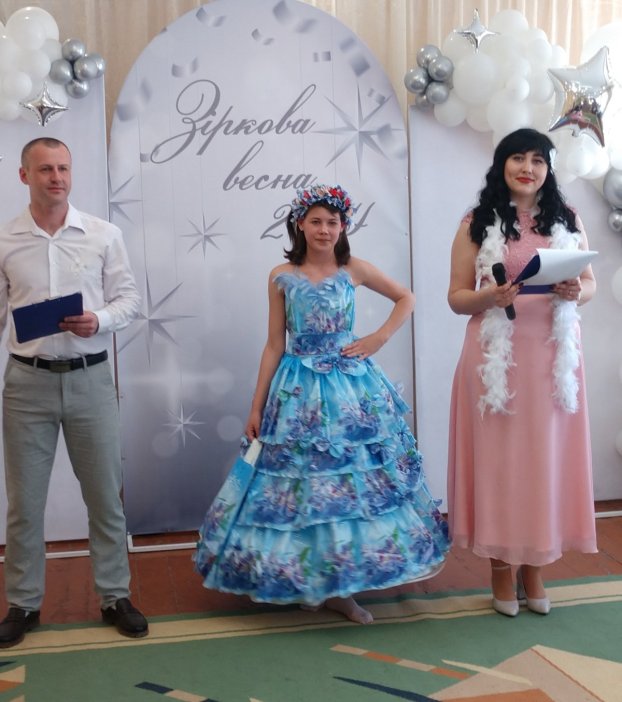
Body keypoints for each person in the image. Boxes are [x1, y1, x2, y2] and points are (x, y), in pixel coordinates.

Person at [195, 184, 450, 623]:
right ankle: (308, 580)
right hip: (296, 391)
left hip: (349, 390)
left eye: (333, 222)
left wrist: (377, 338)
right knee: (302, 486)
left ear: (343, 226)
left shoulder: (354, 269)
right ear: (299, 224)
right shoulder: (280, 275)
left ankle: (341, 587)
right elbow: (274, 344)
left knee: (346, 487)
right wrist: (256, 407)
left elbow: (406, 297)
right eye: (315, 221)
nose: (324, 229)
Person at [0, 137, 147, 647]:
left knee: (105, 497)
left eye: (63, 168)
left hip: (91, 379)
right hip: (26, 384)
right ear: (25, 176)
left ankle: (115, 595)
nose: (56, 178)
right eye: (45, 169)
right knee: (24, 503)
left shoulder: (104, 234)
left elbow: (129, 299)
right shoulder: (4, 241)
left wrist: (99, 319)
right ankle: (23, 604)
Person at [447, 128, 597, 617]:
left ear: (548, 169)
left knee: (541, 462)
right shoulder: (476, 222)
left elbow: (590, 283)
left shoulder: (567, 218)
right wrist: (489, 296)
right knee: (500, 463)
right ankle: (499, 566)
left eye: (537, 160)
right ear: (502, 165)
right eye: (518, 158)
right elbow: (456, 297)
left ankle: (534, 566)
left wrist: (576, 292)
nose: (528, 168)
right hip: (495, 357)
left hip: (551, 359)